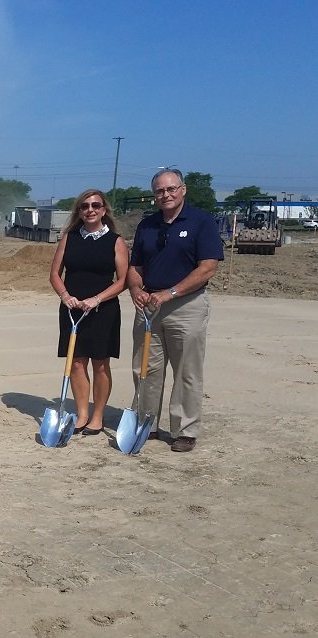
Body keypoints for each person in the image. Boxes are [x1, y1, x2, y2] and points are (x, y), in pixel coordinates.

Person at [128, 168, 224, 452]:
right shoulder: (147, 226)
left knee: (187, 370)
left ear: (183, 190)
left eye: (171, 189)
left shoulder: (201, 222)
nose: (165, 195)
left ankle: (185, 429)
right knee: (146, 367)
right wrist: (135, 289)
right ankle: (148, 422)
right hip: (149, 307)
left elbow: (208, 267)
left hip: (186, 305)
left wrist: (170, 292)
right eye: (159, 191)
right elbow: (136, 267)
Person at [48, 189, 129, 436]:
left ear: (104, 210)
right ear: (79, 211)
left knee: (101, 365)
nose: (90, 210)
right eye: (85, 206)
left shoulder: (115, 241)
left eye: (96, 205)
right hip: (72, 309)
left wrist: (97, 299)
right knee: (76, 363)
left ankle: (97, 416)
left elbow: (124, 280)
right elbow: (54, 274)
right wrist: (65, 296)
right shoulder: (68, 238)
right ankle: (82, 414)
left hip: (102, 310)